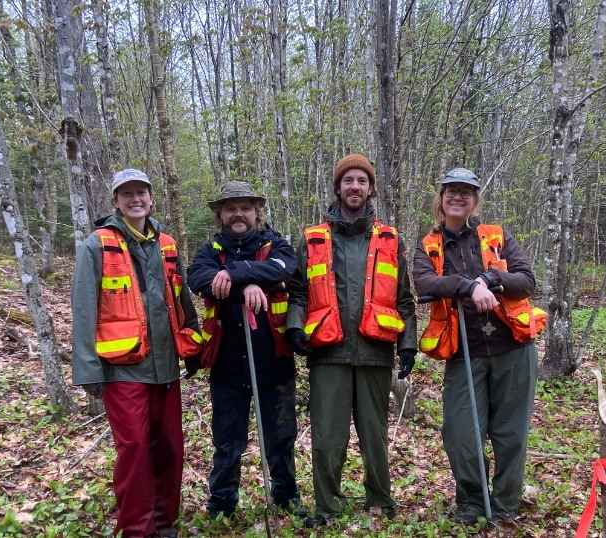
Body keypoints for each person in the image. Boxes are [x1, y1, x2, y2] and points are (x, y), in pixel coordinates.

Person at [286, 153, 417, 527]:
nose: (355, 186)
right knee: (328, 437)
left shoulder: (390, 239)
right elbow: (297, 292)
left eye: (361, 180)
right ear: (338, 188)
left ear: (370, 187)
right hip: (327, 352)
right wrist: (295, 327)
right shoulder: (313, 239)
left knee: (374, 434)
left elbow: (404, 298)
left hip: (376, 350)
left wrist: (407, 344)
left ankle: (380, 497)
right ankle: (327, 505)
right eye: (348, 181)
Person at [71, 169, 203, 538]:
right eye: (126, 194)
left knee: (170, 449)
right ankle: (137, 529)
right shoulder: (96, 245)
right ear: (115, 201)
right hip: (122, 369)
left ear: (150, 198)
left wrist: (192, 346)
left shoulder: (168, 244)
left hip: (166, 368)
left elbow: (180, 300)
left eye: (140, 193)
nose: (135, 199)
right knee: (135, 452)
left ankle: (165, 524)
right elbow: (83, 309)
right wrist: (88, 369)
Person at [412, 167, 543, 524]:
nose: (458, 197)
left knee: (510, 433)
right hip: (463, 352)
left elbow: (526, 281)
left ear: (475, 200)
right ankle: (471, 501)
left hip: (513, 348)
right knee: (460, 433)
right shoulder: (428, 245)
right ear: (441, 198)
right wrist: (468, 287)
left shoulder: (496, 236)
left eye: (465, 192)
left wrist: (490, 278)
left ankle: (504, 505)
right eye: (451, 191)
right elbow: (425, 282)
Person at [186, 181, 302, 518]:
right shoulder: (211, 249)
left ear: (256, 212)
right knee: (226, 442)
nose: (238, 214)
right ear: (221, 214)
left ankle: (286, 497)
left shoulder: (274, 242)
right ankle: (222, 504)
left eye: (245, 207)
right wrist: (248, 284)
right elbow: (198, 278)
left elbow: (285, 269)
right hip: (226, 363)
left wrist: (241, 275)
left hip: (274, 360)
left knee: (281, 437)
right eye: (231, 208)